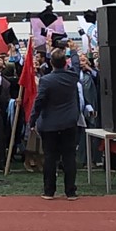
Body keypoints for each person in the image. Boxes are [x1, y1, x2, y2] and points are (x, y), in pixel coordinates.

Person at [28, 47, 81, 201]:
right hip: (69, 122)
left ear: (51, 63)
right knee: (69, 156)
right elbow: (76, 65)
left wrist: (32, 120)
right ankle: (70, 192)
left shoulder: (46, 80)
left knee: (50, 157)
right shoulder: (72, 76)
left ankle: (49, 191)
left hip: (49, 124)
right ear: (65, 63)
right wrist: (74, 51)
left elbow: (39, 102)